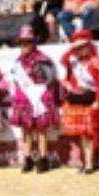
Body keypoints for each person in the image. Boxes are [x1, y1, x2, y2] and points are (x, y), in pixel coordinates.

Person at [5, 26, 61, 173]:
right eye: (21, 43)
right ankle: (27, 159)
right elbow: (15, 80)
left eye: (27, 42)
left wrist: (38, 91)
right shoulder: (18, 62)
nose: (23, 46)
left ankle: (43, 159)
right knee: (26, 130)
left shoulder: (43, 59)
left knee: (41, 130)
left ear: (33, 43)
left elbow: (51, 79)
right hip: (23, 98)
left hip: (40, 97)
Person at [60, 30, 99, 173]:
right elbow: (63, 60)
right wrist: (72, 50)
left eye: (83, 46)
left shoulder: (96, 62)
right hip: (77, 98)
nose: (80, 50)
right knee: (81, 134)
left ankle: (89, 163)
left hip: (90, 98)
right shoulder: (74, 62)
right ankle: (85, 161)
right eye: (78, 47)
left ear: (89, 46)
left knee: (89, 133)